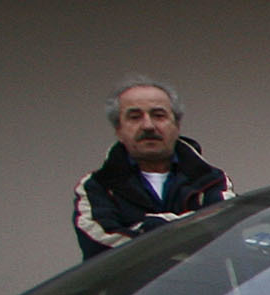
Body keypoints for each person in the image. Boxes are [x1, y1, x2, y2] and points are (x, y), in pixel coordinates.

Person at [74, 78, 229, 258]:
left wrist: (148, 227)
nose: (148, 125)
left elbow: (226, 230)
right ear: (119, 129)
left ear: (177, 125)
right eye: (135, 117)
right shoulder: (96, 186)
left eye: (158, 115)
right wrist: (185, 228)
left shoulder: (212, 180)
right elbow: (101, 246)